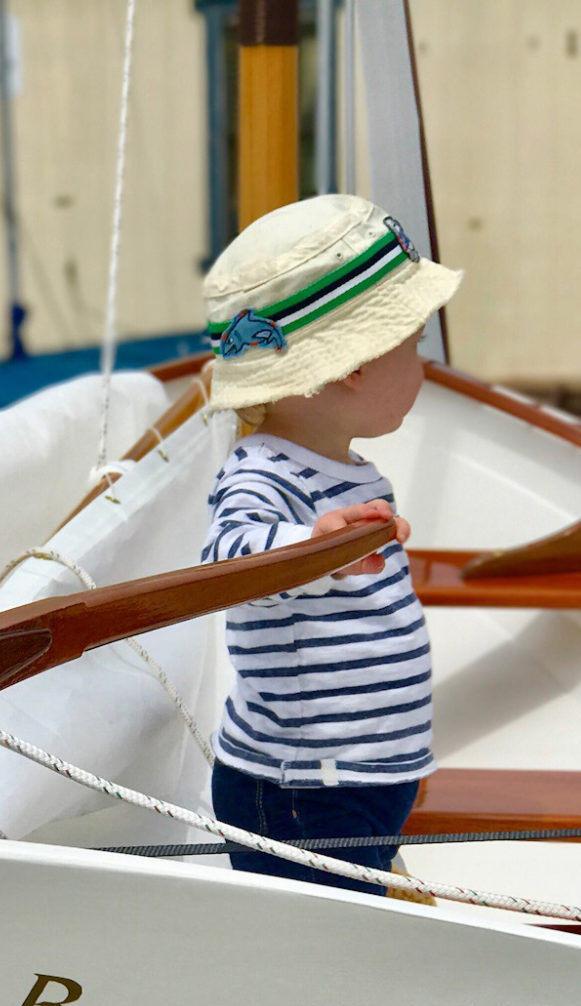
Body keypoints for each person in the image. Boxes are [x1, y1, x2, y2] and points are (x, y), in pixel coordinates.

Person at [198, 194, 462, 891]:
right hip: (301, 790)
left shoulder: (353, 473)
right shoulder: (261, 472)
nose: (423, 367)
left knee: (357, 911)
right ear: (354, 365)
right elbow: (226, 558)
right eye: (413, 346)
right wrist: (306, 544)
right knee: (321, 945)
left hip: (367, 772)